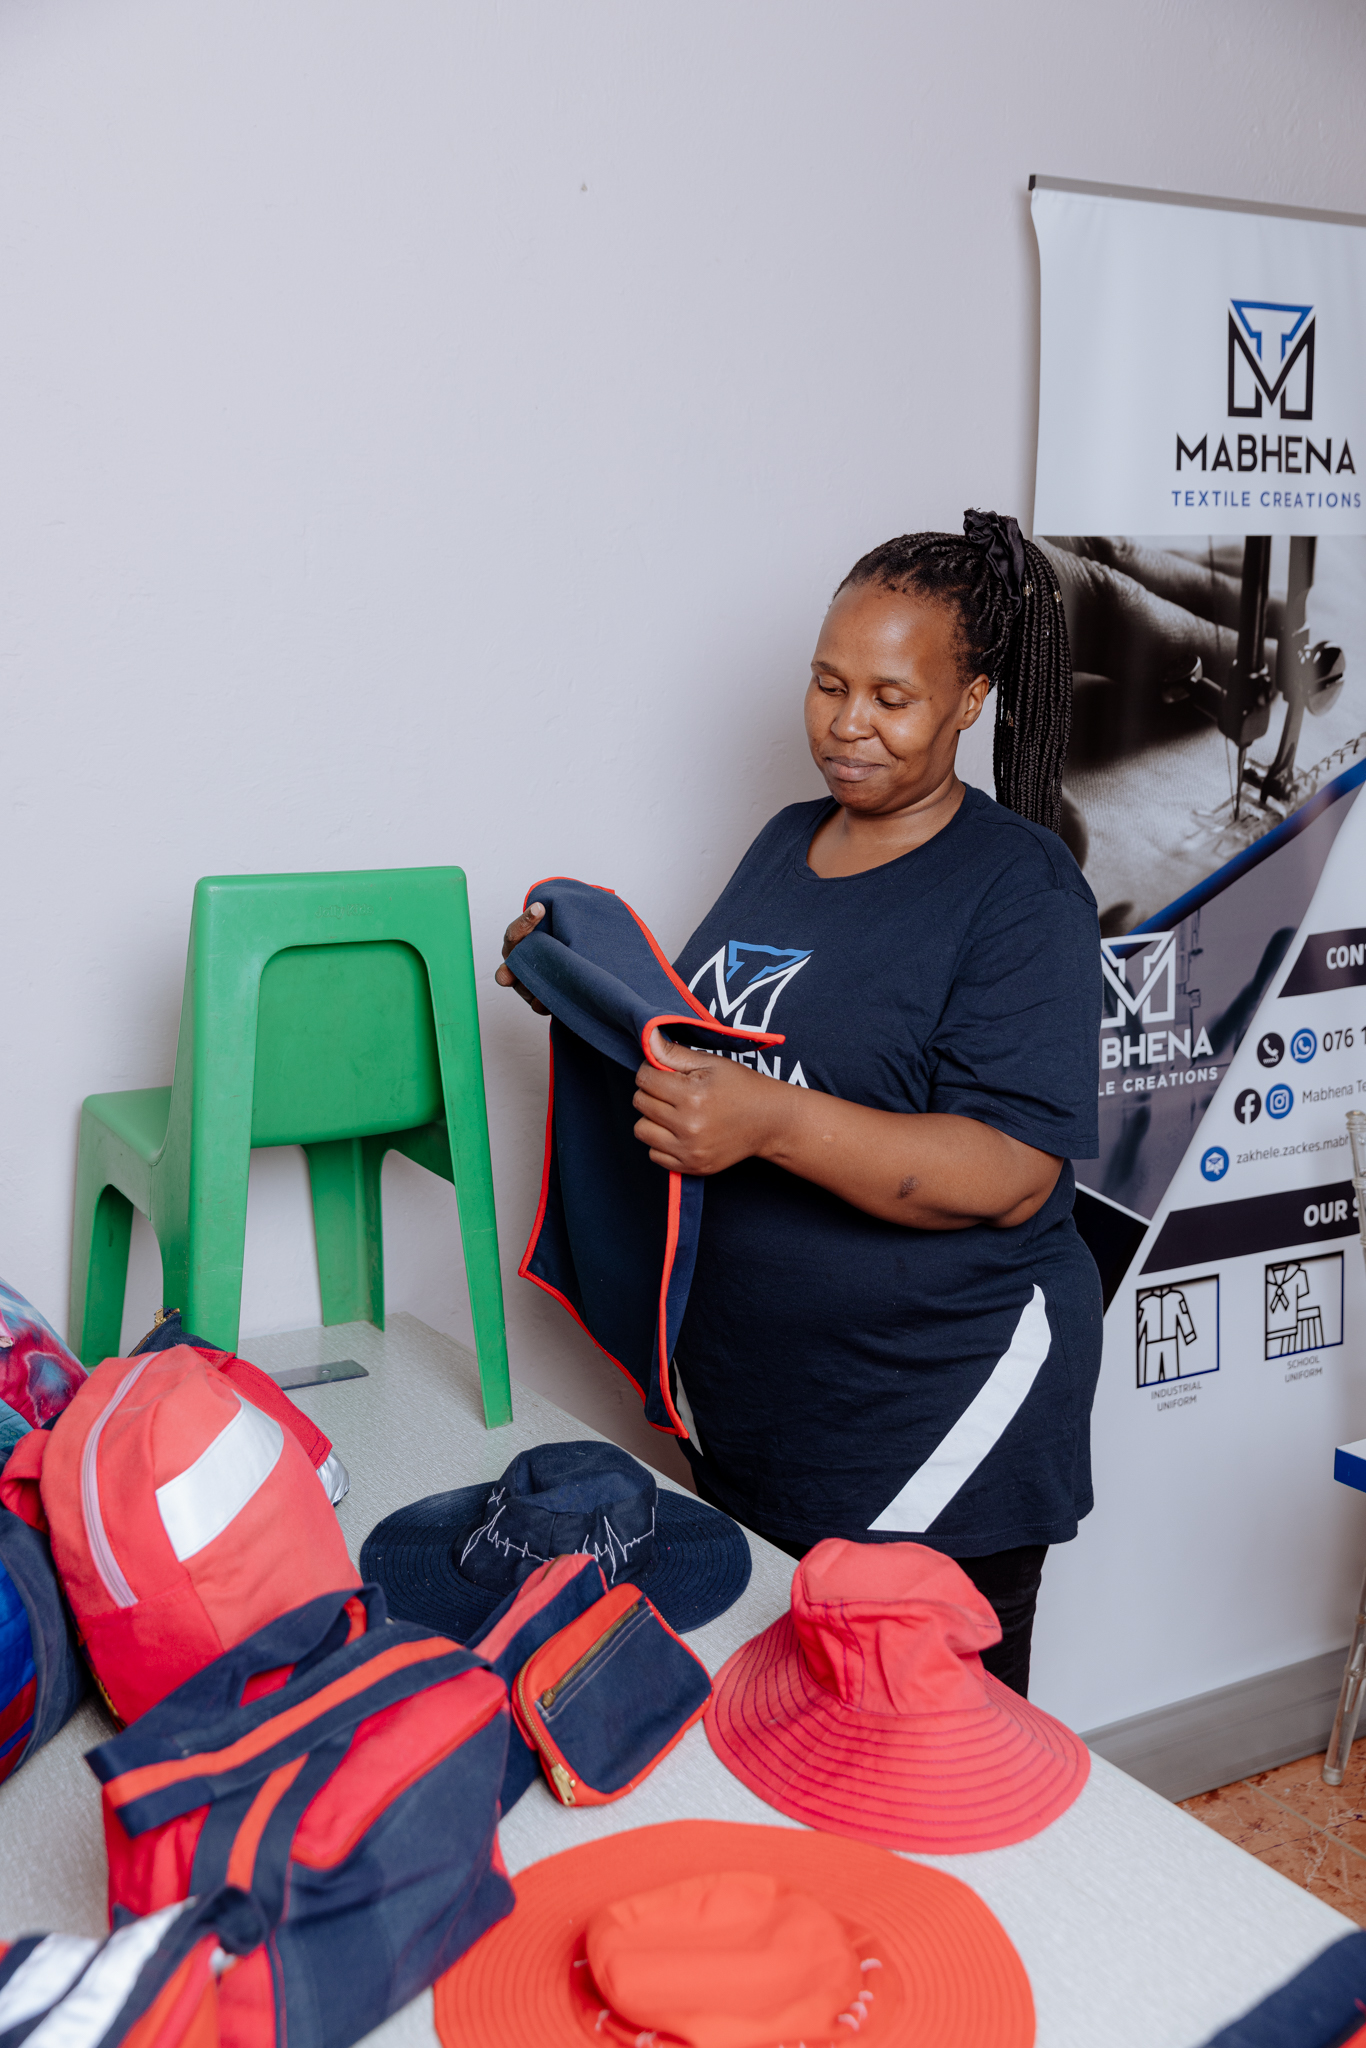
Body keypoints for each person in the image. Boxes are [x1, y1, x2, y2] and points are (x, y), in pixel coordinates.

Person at [498, 511, 1102, 1696]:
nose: (846, 722)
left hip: (933, 1413)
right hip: (768, 1413)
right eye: (828, 684)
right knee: (776, 1738)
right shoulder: (786, 841)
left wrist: (767, 1119)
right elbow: (709, 1038)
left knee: (916, 1762)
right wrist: (577, 983)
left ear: (971, 700)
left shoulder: (1019, 887)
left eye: (891, 696)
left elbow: (1011, 1168)